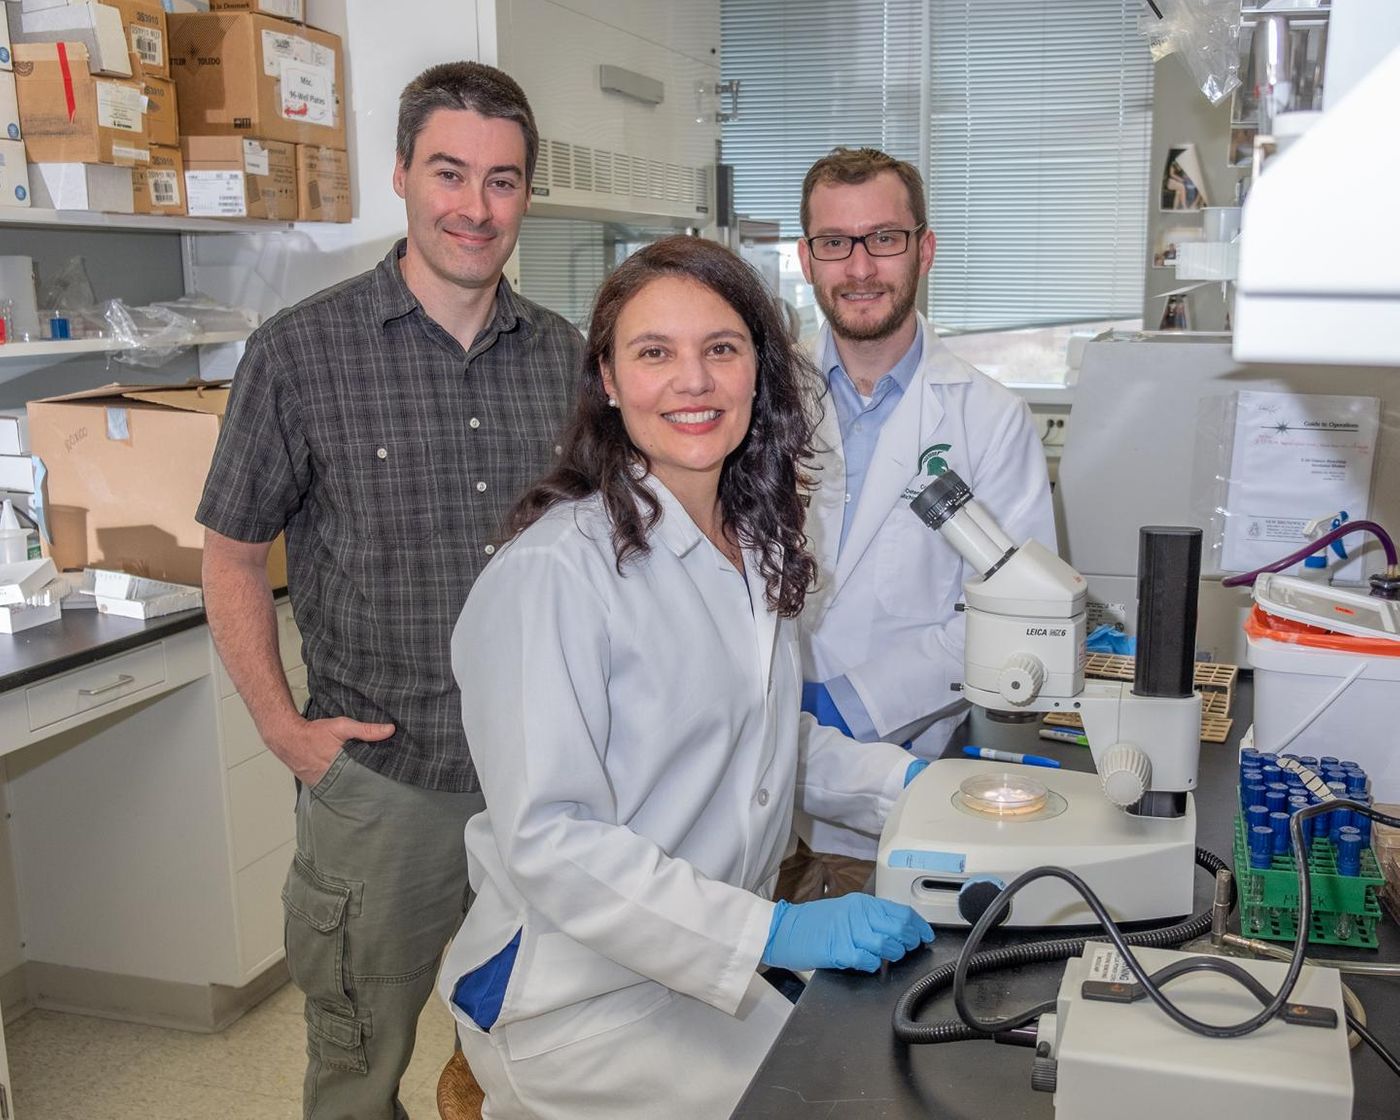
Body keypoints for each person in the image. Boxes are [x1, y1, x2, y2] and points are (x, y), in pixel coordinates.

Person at [436, 235, 934, 1120]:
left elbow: (762, 740)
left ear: (758, 375)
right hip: (573, 997)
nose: (693, 381)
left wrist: (929, 793)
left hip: (701, 968)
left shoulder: (756, 541)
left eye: (721, 349)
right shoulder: (555, 573)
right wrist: (772, 930)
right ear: (609, 381)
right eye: (654, 353)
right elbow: (553, 839)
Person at [196, 62, 584, 1119]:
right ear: (404, 174)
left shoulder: (566, 360)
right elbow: (229, 554)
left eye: (502, 180)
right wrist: (283, 728)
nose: (475, 206)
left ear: (525, 197)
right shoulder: (298, 353)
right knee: (357, 1070)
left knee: (544, 1055)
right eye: (450, 172)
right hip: (383, 786)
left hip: (542, 781)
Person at [780, 147, 1057, 901]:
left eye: (884, 239)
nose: (860, 266)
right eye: (835, 242)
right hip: (751, 794)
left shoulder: (989, 420)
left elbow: (1011, 616)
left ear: (924, 249)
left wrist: (845, 703)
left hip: (893, 796)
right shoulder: (760, 402)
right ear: (807, 259)